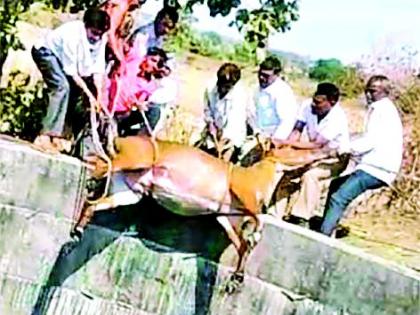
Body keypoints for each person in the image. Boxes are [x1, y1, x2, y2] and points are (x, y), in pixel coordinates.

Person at [320, 75, 403, 236]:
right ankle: (328, 227)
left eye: (373, 91)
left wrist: (345, 149)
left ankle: (323, 238)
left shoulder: (381, 110)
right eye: (367, 91)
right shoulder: (381, 108)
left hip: (378, 168)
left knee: (339, 198)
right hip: (373, 165)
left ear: (385, 92)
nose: (368, 95)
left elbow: (370, 142)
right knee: (336, 185)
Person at [31, 8, 111, 153]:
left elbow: (98, 69)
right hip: (46, 52)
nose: (96, 38)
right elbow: (72, 72)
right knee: (61, 87)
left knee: (73, 95)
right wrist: (89, 95)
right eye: (93, 33)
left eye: (100, 34)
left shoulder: (101, 39)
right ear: (85, 25)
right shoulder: (72, 34)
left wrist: (98, 96)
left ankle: (57, 136)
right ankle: (43, 136)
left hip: (62, 61)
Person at [281, 83, 350, 225]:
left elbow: (318, 144)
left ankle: (301, 217)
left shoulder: (337, 117)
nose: (314, 105)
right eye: (314, 100)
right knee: (285, 170)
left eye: (318, 102)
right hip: (314, 153)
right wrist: (286, 149)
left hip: (335, 157)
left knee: (311, 175)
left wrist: (286, 143)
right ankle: (277, 213)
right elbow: (297, 130)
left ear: (332, 102)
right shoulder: (307, 106)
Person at [108, 47, 169, 136]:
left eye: (157, 64)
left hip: (121, 113)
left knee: (155, 110)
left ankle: (138, 138)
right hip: (107, 104)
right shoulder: (133, 59)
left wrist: (138, 104)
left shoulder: (150, 85)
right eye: (152, 60)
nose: (152, 65)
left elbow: (139, 101)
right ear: (146, 57)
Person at [197, 63, 248, 162]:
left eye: (227, 87)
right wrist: (210, 124)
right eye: (221, 85)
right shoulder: (210, 87)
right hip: (213, 130)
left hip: (232, 136)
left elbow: (233, 125)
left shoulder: (240, 96)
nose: (222, 89)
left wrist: (221, 144)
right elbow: (207, 109)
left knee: (221, 163)